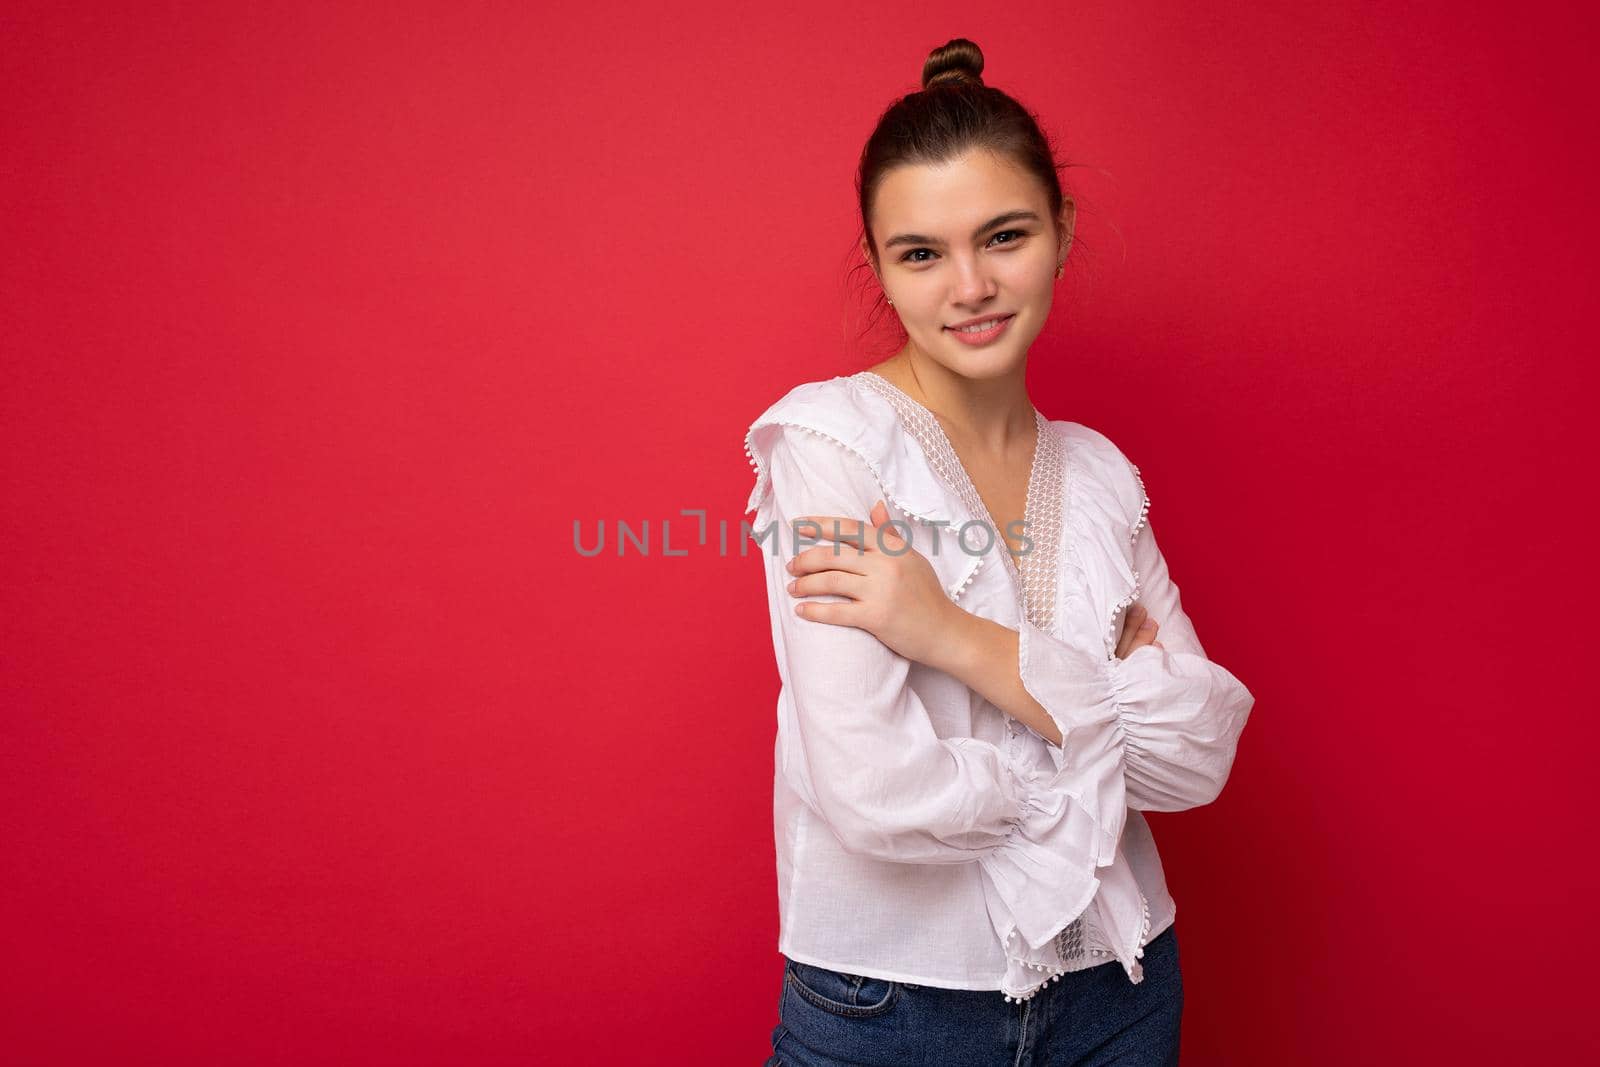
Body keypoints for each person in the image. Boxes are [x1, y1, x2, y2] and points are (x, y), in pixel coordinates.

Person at [743, 38, 1256, 1066]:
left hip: (1124, 988)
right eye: (921, 252)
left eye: (1004, 236)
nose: (969, 285)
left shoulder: (1101, 470)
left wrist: (949, 635)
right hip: (890, 1007)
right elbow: (872, 791)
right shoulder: (829, 444)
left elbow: (1195, 754)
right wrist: (1100, 714)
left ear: (1062, 232)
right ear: (881, 269)